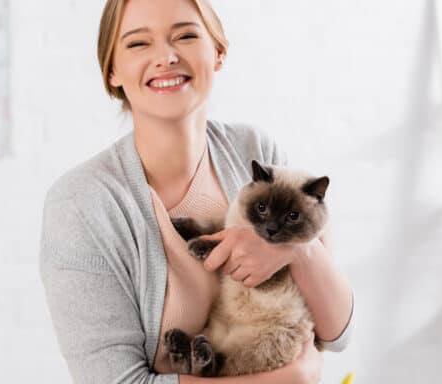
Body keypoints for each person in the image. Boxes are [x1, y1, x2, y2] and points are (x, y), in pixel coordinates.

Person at [39, 0, 355, 383]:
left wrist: (300, 250)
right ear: (112, 72)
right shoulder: (82, 206)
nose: (166, 57)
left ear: (218, 52)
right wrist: (289, 379)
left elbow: (335, 332)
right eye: (138, 44)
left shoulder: (255, 154)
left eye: (186, 35)